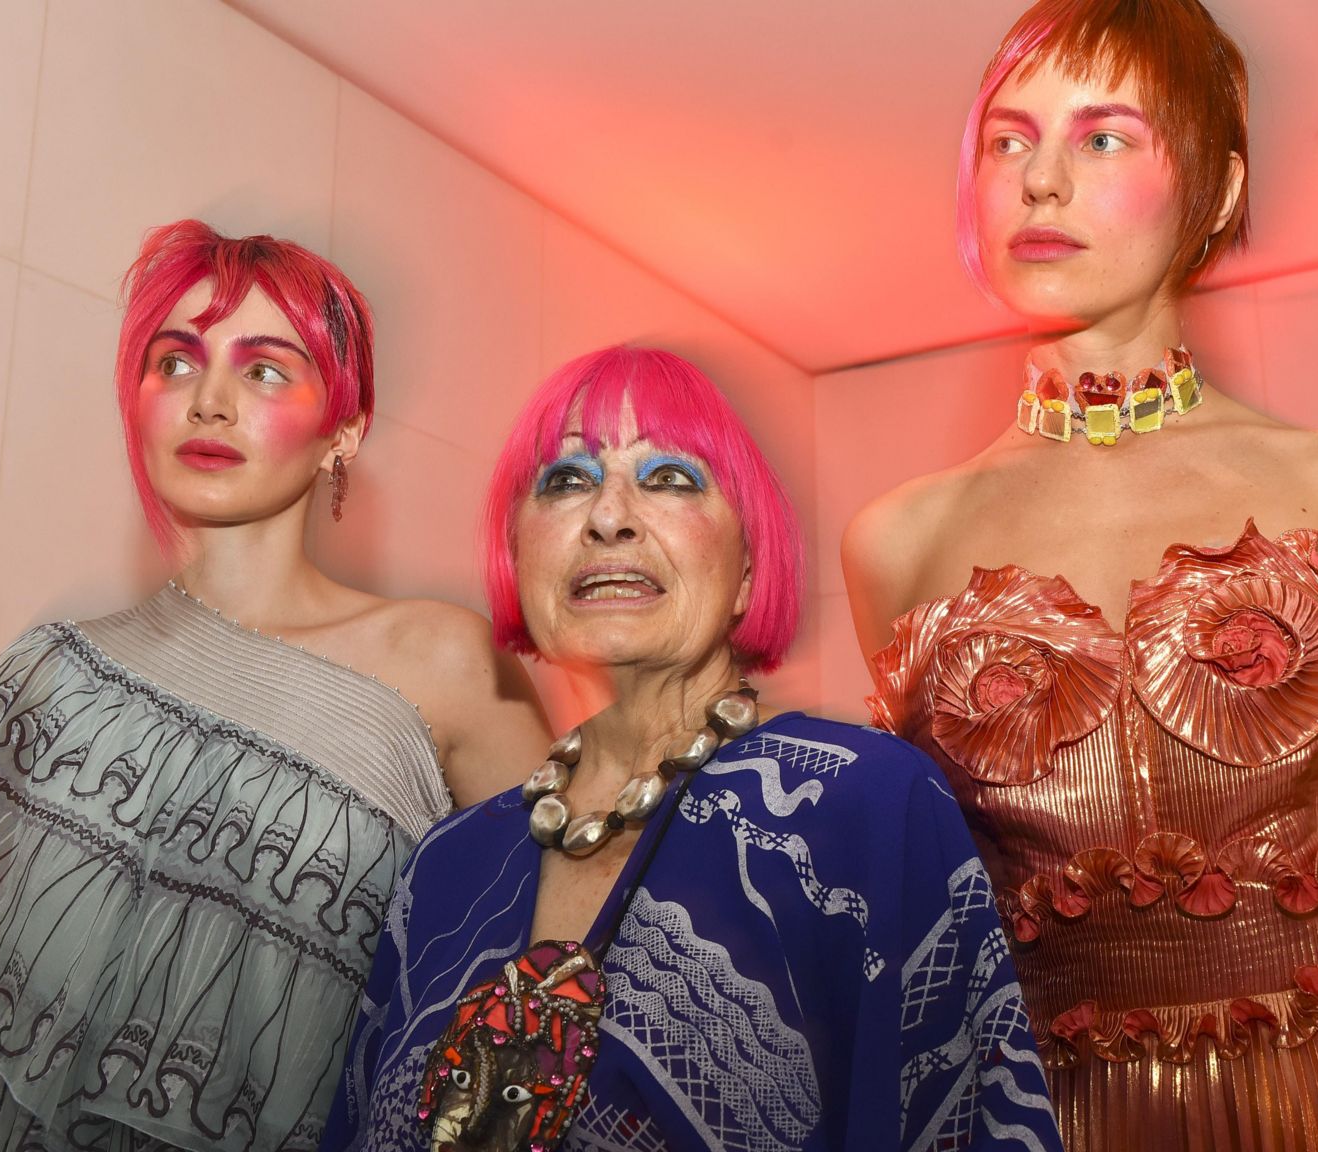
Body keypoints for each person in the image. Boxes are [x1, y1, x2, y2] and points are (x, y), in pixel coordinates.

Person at [845, 1, 1318, 1147]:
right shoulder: (893, 544)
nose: (1038, 181)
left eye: (1102, 138)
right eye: (1007, 140)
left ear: (1218, 191)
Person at [0, 220, 551, 1151]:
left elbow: (548, 992)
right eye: (175, 362)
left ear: (343, 429)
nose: (210, 401)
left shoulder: (445, 663)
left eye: (267, 369)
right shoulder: (53, 674)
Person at [320, 345, 1059, 1152]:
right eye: (566, 480)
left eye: (670, 477)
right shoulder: (444, 865)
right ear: (517, 557)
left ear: (747, 568)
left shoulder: (868, 806)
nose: (608, 516)